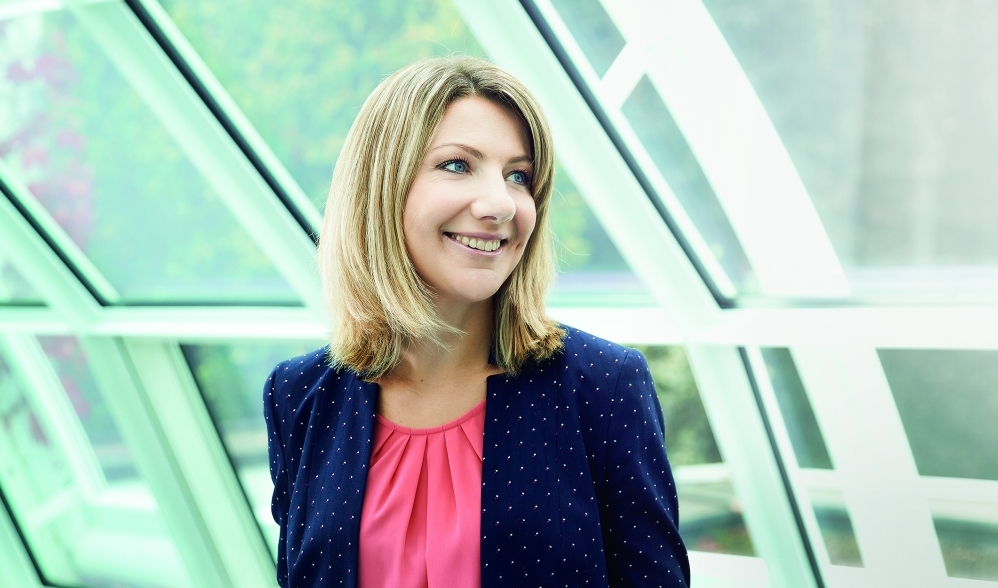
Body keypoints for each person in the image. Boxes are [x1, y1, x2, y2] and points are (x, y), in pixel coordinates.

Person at [263, 56, 689, 587]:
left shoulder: (603, 386)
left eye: (518, 176)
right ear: (380, 186)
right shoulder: (299, 395)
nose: (500, 204)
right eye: (457, 165)